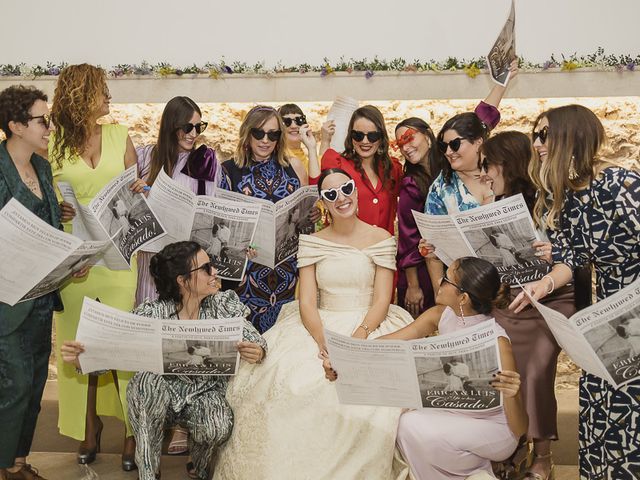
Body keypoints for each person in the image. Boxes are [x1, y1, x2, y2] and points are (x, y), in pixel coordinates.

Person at [213, 168, 414, 479]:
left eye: (346, 189)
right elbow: (307, 302)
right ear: (324, 203)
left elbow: (381, 301)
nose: (341, 198)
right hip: (319, 324)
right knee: (289, 383)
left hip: (369, 325)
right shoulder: (313, 242)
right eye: (331, 194)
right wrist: (325, 342)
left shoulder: (382, 238)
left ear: (355, 189)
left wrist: (357, 340)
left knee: (369, 396)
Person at [60, 241, 267, 480]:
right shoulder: (152, 313)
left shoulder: (222, 304)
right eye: (206, 268)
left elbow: (255, 338)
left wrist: (257, 350)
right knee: (147, 385)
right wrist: (81, 360)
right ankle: (148, 473)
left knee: (217, 426)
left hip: (203, 394)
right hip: (158, 396)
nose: (215, 272)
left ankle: (199, 468)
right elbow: (112, 352)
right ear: (182, 280)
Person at [510, 104, 640, 479]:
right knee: (601, 401)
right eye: (535, 135)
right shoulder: (559, 197)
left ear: (573, 136)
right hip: (609, 311)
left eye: (544, 134)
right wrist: (544, 283)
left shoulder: (620, 185)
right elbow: (571, 260)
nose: (536, 143)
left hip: (633, 308)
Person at [325, 257, 528, 480]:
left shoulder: (498, 342)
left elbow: (519, 429)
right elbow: (386, 345)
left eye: (446, 280)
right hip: (448, 415)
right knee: (393, 415)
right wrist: (343, 359)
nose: (439, 280)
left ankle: (474, 471)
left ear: (463, 297)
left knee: (410, 424)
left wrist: (512, 394)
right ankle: (474, 473)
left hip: (493, 429)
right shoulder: (441, 315)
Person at [48, 63, 146, 470]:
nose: (109, 99)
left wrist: (139, 190)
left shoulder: (121, 136)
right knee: (79, 348)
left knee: (123, 345)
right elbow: (41, 201)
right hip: (75, 261)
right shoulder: (50, 146)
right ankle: (88, 427)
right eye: (103, 92)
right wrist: (58, 207)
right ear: (83, 96)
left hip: (119, 258)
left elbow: (131, 196)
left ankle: (132, 432)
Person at [481, 130, 577, 479]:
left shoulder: (551, 201)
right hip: (511, 298)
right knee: (495, 360)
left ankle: (543, 453)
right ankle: (510, 441)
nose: (485, 172)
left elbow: (575, 258)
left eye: (488, 164)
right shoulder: (492, 204)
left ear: (507, 164)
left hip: (555, 298)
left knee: (535, 367)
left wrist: (548, 265)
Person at [393, 70, 514, 316]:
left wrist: (502, 83)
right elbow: (431, 250)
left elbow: (481, 118)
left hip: (513, 285)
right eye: (445, 146)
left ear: (478, 142)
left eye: (455, 145)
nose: (449, 151)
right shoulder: (441, 187)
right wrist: (443, 297)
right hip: (468, 291)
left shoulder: (505, 170)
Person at [0, 85, 73, 480]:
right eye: (41, 120)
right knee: (10, 386)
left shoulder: (44, 168)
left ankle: (18, 462)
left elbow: (51, 227)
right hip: (6, 299)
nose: (49, 127)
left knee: (34, 385)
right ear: (14, 125)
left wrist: (70, 259)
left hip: (42, 296)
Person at [218, 105, 309, 332]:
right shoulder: (227, 171)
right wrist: (238, 247)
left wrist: (309, 215)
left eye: (273, 134)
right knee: (249, 344)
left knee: (285, 341)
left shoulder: (294, 167)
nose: (265, 140)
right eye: (259, 133)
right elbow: (220, 226)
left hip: (287, 272)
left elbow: (304, 222)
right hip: (247, 275)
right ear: (247, 134)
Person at [318, 105, 402, 234]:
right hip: (347, 249)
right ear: (350, 136)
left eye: (372, 136)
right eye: (358, 135)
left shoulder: (392, 169)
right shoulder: (339, 164)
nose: (365, 141)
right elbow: (318, 184)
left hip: (382, 250)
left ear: (381, 137)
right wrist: (325, 140)